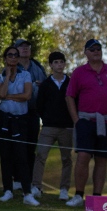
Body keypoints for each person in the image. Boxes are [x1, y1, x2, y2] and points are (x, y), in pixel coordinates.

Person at [65, 39, 107, 207]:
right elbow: (69, 96)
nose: (96, 51)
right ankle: (78, 195)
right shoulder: (79, 72)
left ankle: (97, 198)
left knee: (102, 159)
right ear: (86, 52)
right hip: (85, 120)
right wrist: (76, 120)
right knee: (83, 156)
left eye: (98, 48)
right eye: (92, 49)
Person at [0, 46, 39, 206]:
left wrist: (8, 96)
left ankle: (27, 193)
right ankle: (7, 190)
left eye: (15, 55)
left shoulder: (25, 74)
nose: (13, 57)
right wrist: (7, 77)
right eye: (10, 55)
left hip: (21, 121)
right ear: (5, 58)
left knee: (22, 156)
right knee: (5, 156)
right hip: (3, 120)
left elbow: (27, 95)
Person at [31, 51, 73, 201]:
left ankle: (64, 190)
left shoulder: (71, 83)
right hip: (48, 127)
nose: (59, 65)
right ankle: (36, 186)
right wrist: (47, 119)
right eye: (56, 62)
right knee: (41, 155)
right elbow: (40, 106)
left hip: (67, 127)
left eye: (61, 62)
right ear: (51, 65)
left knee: (66, 159)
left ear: (64, 64)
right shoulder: (46, 84)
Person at [14, 38, 47, 189]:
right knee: (17, 147)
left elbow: (46, 88)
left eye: (27, 46)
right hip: (16, 113)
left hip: (34, 113)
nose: (25, 48)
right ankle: (16, 180)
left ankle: (30, 181)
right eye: (21, 47)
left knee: (30, 147)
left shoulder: (38, 67)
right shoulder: (12, 66)